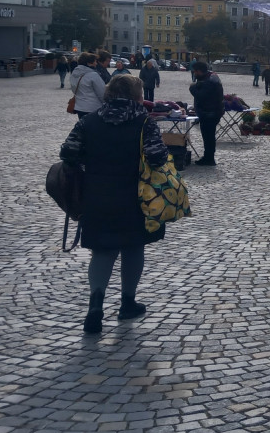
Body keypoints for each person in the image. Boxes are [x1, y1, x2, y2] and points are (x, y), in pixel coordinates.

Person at [60, 74, 168, 335]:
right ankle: (127, 303)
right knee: (133, 247)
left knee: (102, 251)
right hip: (135, 196)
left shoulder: (89, 121)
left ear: (108, 93)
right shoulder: (144, 122)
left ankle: (95, 305)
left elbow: (68, 153)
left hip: (97, 196)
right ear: (136, 95)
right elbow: (156, 157)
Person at [189, 61, 224, 166]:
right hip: (212, 111)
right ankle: (208, 157)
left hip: (209, 112)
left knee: (208, 136)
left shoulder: (209, 81)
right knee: (209, 136)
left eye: (195, 71)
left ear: (199, 71)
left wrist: (192, 87)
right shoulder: (212, 78)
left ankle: (209, 158)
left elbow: (201, 95)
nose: (194, 74)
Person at [70, 53, 106, 118]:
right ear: (89, 63)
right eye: (95, 61)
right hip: (93, 107)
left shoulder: (74, 74)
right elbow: (102, 92)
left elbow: (73, 88)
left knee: (83, 126)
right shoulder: (93, 75)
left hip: (79, 107)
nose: (96, 63)